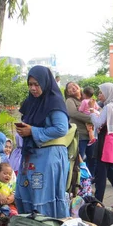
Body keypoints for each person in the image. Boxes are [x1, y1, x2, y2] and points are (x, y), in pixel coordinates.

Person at [15, 65, 70, 218]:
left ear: (45, 83)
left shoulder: (54, 102)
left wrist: (32, 130)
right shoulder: (31, 102)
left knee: (43, 195)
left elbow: (61, 128)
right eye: (30, 84)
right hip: (31, 155)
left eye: (36, 84)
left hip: (49, 156)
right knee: (26, 191)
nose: (33, 88)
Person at [89, 83, 113, 205]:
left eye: (102, 93)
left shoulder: (108, 107)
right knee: (111, 173)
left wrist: (91, 111)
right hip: (112, 141)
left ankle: (97, 202)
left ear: (109, 94)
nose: (99, 95)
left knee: (101, 174)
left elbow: (98, 122)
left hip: (105, 142)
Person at [65, 82, 92, 163]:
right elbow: (73, 113)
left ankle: (91, 176)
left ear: (79, 87)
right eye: (70, 87)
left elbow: (98, 108)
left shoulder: (87, 99)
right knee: (79, 160)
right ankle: (80, 176)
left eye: (74, 85)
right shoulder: (70, 100)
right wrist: (92, 119)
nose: (73, 87)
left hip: (91, 136)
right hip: (80, 135)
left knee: (92, 160)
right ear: (67, 92)